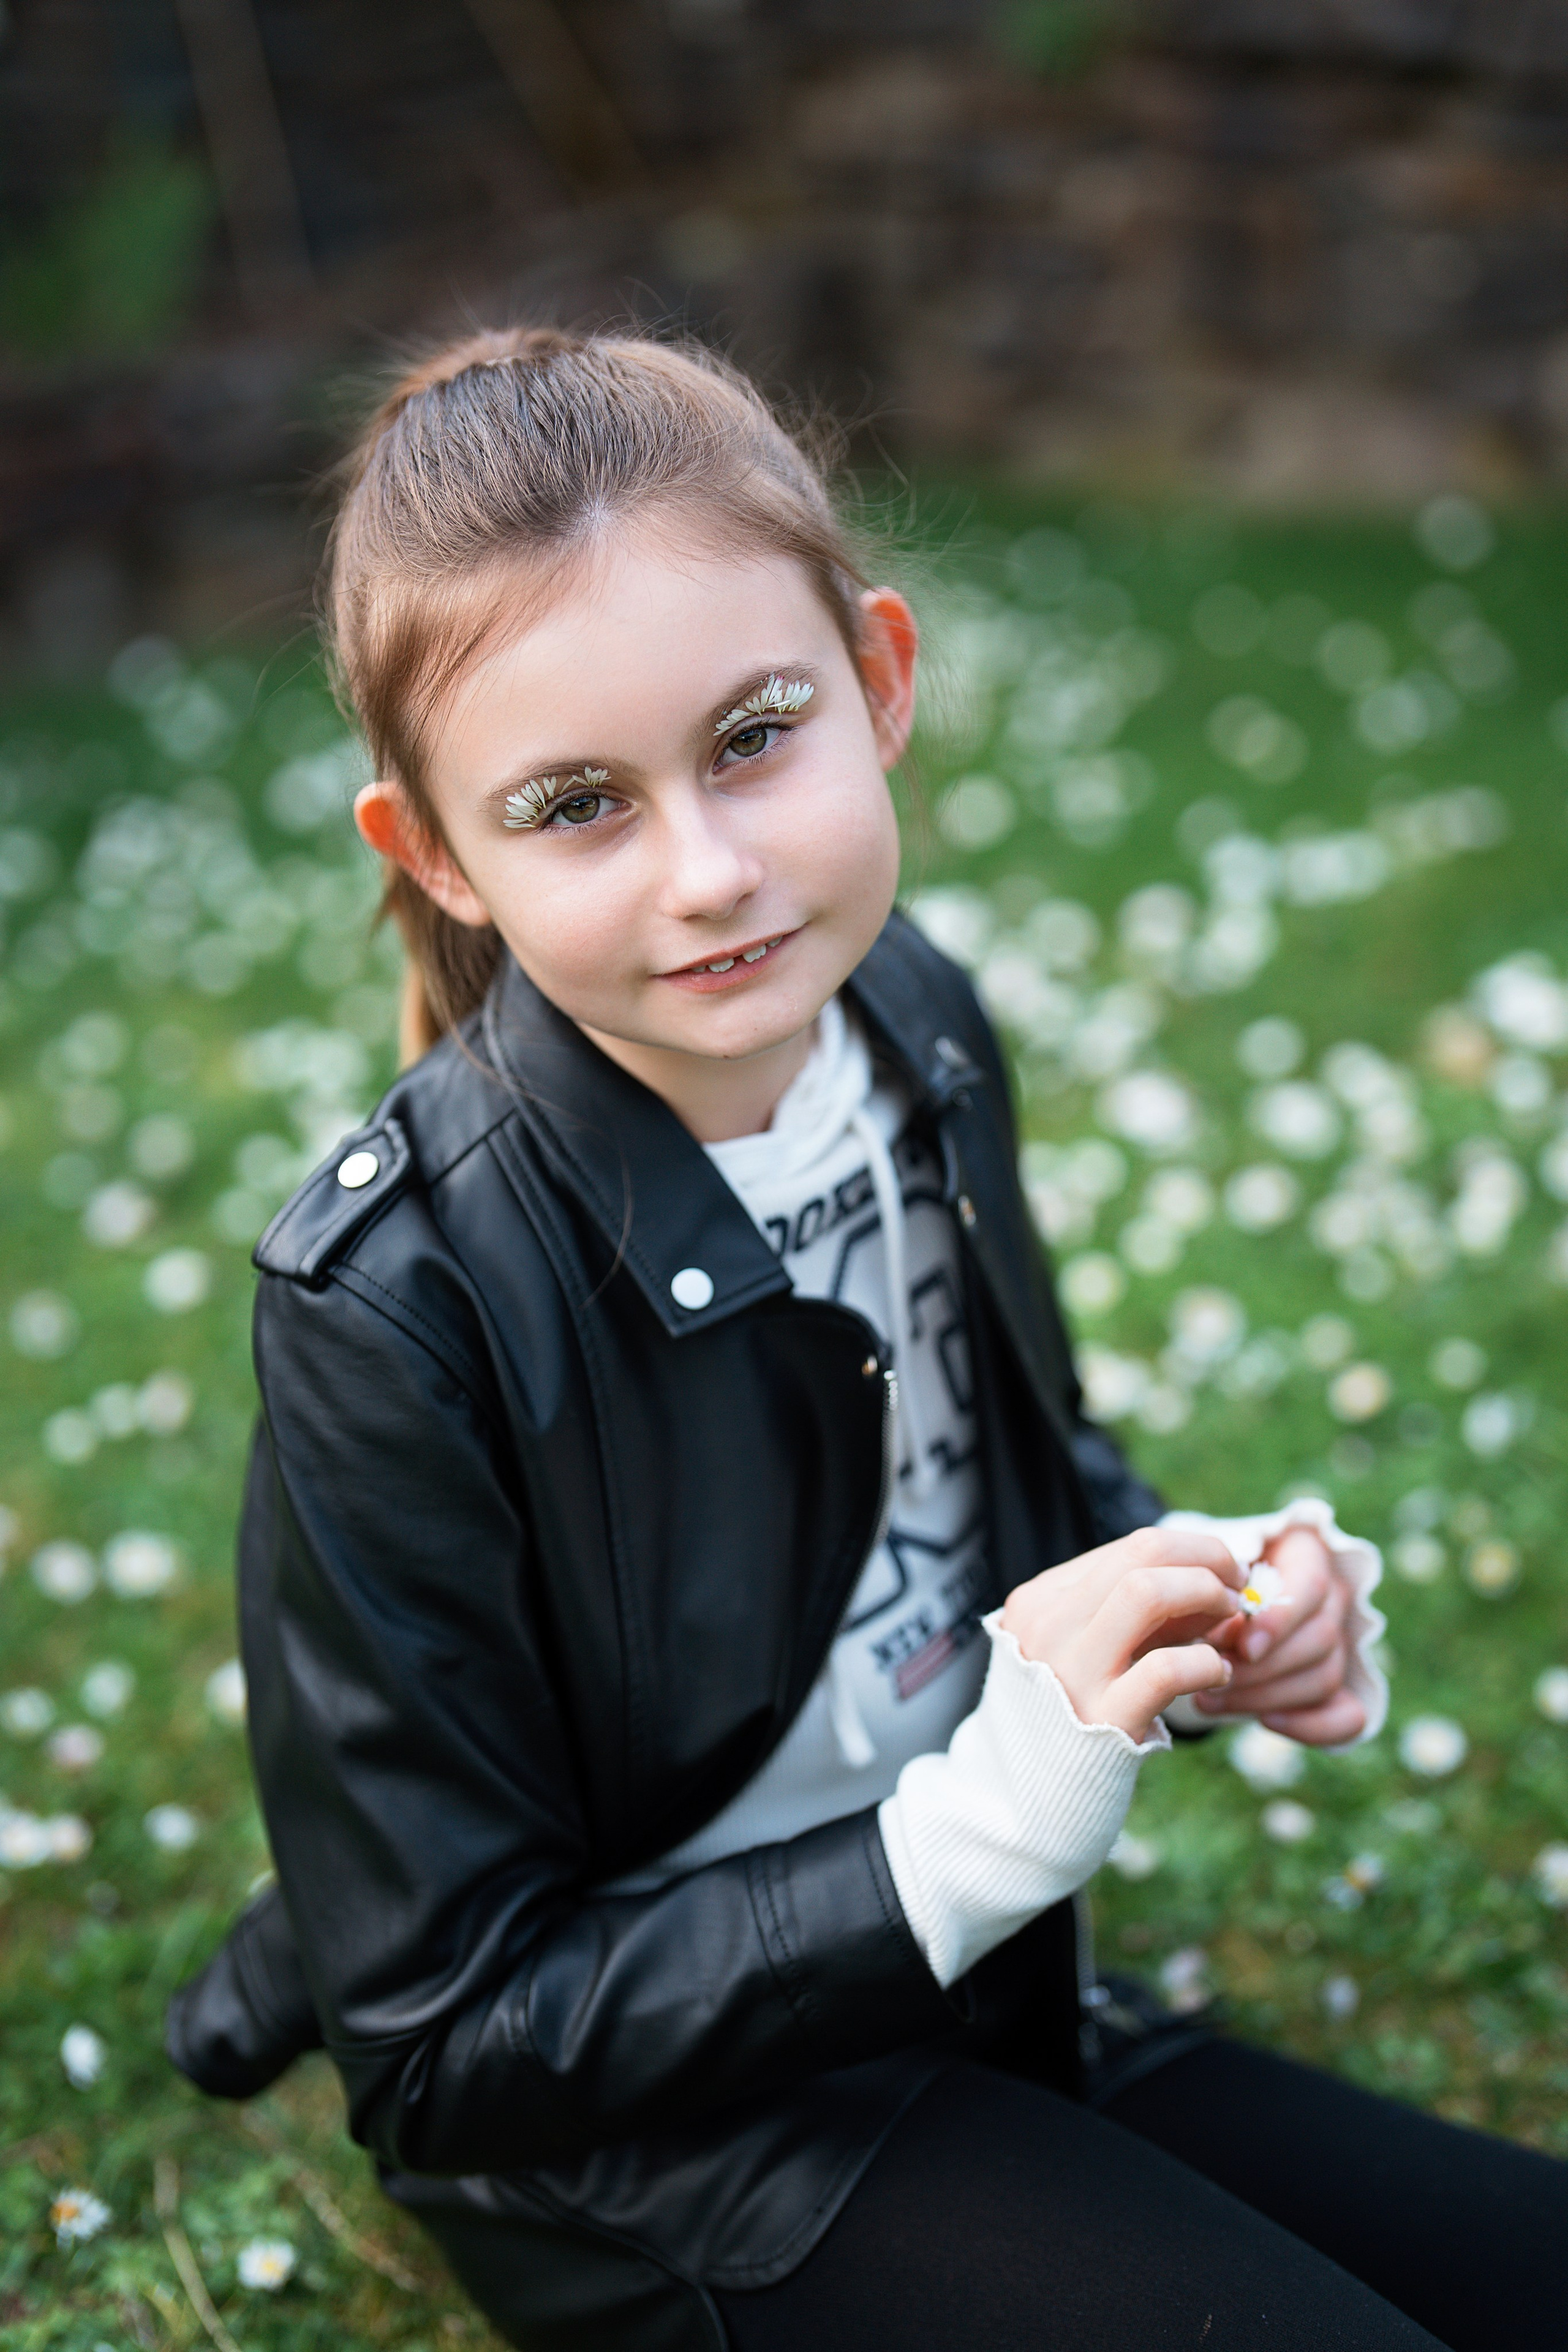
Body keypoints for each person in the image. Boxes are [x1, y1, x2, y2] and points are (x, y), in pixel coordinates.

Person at [167, 327, 1562, 2351]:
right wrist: (975, 1831)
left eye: (755, 735)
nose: (711, 871)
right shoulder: (396, 1307)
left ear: (882, 682)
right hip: (676, 2138)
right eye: (578, 806)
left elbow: (1023, 1473)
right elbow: (449, 2045)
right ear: (440, 857)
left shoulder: (915, 1024)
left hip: (979, 1974)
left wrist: (1211, 1606)